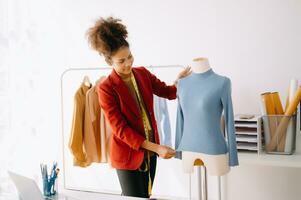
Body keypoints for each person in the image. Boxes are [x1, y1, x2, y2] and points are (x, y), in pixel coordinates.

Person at [86, 16, 191, 198]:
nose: (128, 63)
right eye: (121, 61)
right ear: (109, 62)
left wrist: (179, 82)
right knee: (135, 197)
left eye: (129, 57)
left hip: (149, 154)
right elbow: (121, 130)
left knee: (145, 196)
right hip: (127, 156)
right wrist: (157, 148)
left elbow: (167, 92)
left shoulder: (142, 73)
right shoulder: (106, 88)